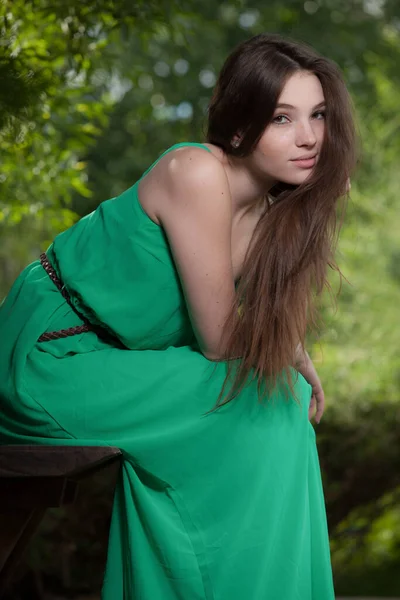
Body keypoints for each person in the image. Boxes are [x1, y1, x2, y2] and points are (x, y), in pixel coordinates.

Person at [0, 32, 356, 599]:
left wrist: (294, 355)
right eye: (282, 119)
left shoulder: (268, 216)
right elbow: (219, 340)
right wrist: (286, 353)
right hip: (47, 356)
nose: (309, 137)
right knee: (263, 394)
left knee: (279, 398)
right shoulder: (195, 172)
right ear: (239, 127)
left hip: (112, 362)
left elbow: (242, 328)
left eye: (317, 115)